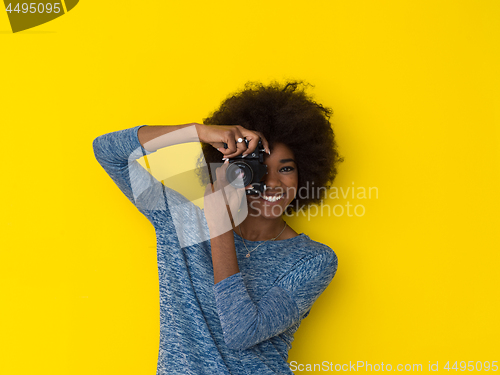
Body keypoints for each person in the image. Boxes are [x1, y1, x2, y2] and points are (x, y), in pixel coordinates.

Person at [92, 81, 343, 374]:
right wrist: (197, 132)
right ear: (232, 169)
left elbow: (242, 332)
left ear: (305, 174)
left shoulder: (314, 260)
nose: (272, 182)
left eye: (285, 168)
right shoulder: (182, 222)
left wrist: (219, 225)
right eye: (258, 168)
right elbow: (107, 151)